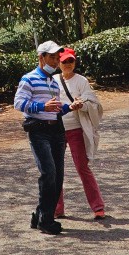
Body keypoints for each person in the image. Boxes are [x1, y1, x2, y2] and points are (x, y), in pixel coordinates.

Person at [14, 40, 70, 235]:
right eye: (52, 57)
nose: (56, 61)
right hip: (39, 131)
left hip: (56, 131)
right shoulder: (28, 79)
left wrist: (69, 107)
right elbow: (19, 103)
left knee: (58, 176)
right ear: (41, 57)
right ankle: (46, 219)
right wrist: (41, 107)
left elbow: (55, 109)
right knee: (48, 173)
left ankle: (40, 215)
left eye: (57, 58)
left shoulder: (54, 82)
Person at [53, 47, 106, 221]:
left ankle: (98, 207)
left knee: (83, 168)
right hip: (58, 130)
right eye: (64, 61)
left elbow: (92, 101)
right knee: (56, 171)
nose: (68, 64)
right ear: (58, 63)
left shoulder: (81, 81)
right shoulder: (52, 81)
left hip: (76, 128)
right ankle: (57, 208)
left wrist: (81, 105)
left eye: (71, 61)